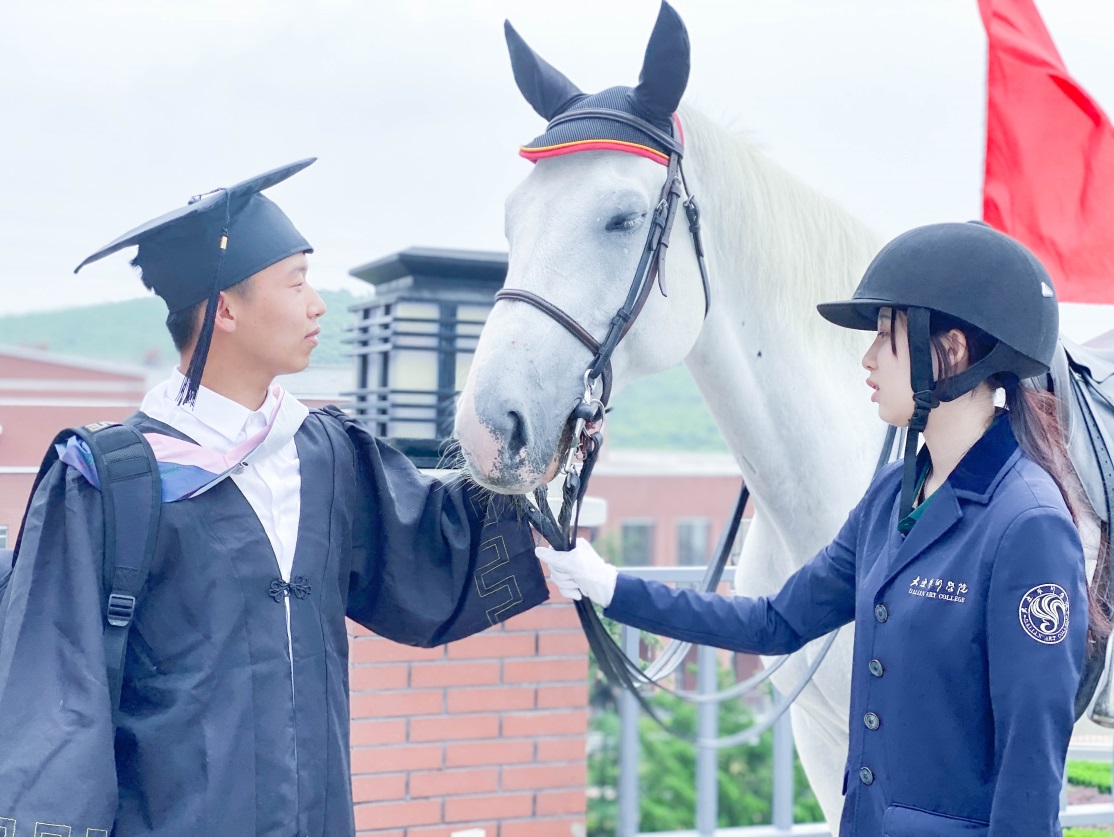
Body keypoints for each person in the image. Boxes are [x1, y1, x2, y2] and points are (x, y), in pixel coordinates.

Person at [0, 159, 548, 835]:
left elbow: (433, 549)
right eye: (296, 282)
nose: (318, 304)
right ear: (226, 307)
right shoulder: (104, 481)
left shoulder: (325, 452)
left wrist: (540, 452)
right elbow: (53, 700)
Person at [539, 221, 1098, 836]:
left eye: (887, 337)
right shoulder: (892, 494)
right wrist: (610, 585)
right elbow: (773, 622)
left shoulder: (1029, 525)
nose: (867, 358)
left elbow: (1032, 767)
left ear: (955, 352)